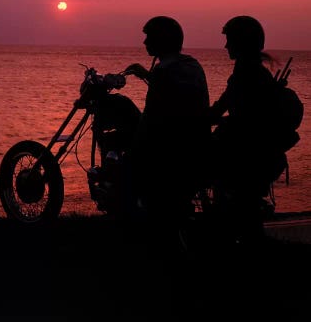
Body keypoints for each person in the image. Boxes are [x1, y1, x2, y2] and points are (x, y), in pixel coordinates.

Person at [123, 16, 211, 237]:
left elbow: (150, 118)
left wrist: (133, 150)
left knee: (127, 169)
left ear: (162, 40)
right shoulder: (191, 64)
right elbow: (175, 91)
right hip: (196, 143)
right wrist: (146, 74)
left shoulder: (164, 71)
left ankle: (132, 223)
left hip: (168, 151)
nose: (144, 42)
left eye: (149, 37)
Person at [208, 15, 288, 243]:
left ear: (242, 43)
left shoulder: (247, 75)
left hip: (247, 155)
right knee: (246, 217)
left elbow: (239, 117)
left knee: (237, 209)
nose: (225, 46)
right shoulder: (254, 72)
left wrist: (203, 118)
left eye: (230, 40)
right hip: (259, 153)